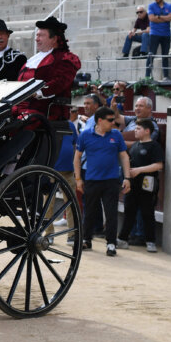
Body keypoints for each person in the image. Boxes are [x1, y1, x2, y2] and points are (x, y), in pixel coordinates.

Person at [74, 106, 131, 256]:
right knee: (90, 212)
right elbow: (77, 157)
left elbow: (124, 156)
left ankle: (111, 243)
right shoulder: (85, 135)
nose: (113, 123)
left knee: (111, 213)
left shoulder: (116, 135)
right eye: (110, 120)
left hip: (111, 180)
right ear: (100, 120)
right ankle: (86, 239)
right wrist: (78, 179)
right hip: (92, 180)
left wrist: (127, 177)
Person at [16, 16, 82, 121]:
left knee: (17, 124)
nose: (36, 39)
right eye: (37, 35)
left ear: (54, 39)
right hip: (19, 106)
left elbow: (61, 81)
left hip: (45, 110)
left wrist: (38, 92)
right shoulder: (34, 58)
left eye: (41, 36)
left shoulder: (65, 58)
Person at [116, 118, 163, 253]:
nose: (135, 131)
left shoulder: (154, 146)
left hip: (147, 185)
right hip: (132, 184)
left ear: (147, 131)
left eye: (138, 129)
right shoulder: (135, 146)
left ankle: (151, 241)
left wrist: (139, 170)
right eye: (135, 128)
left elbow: (159, 165)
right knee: (129, 211)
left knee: (147, 213)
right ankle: (122, 239)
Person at [144, 0, 171, 80]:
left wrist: (160, 17)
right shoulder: (151, 6)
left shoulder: (169, 6)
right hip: (155, 33)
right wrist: (166, 18)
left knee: (165, 55)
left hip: (166, 34)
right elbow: (152, 18)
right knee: (151, 54)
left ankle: (166, 76)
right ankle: (147, 75)